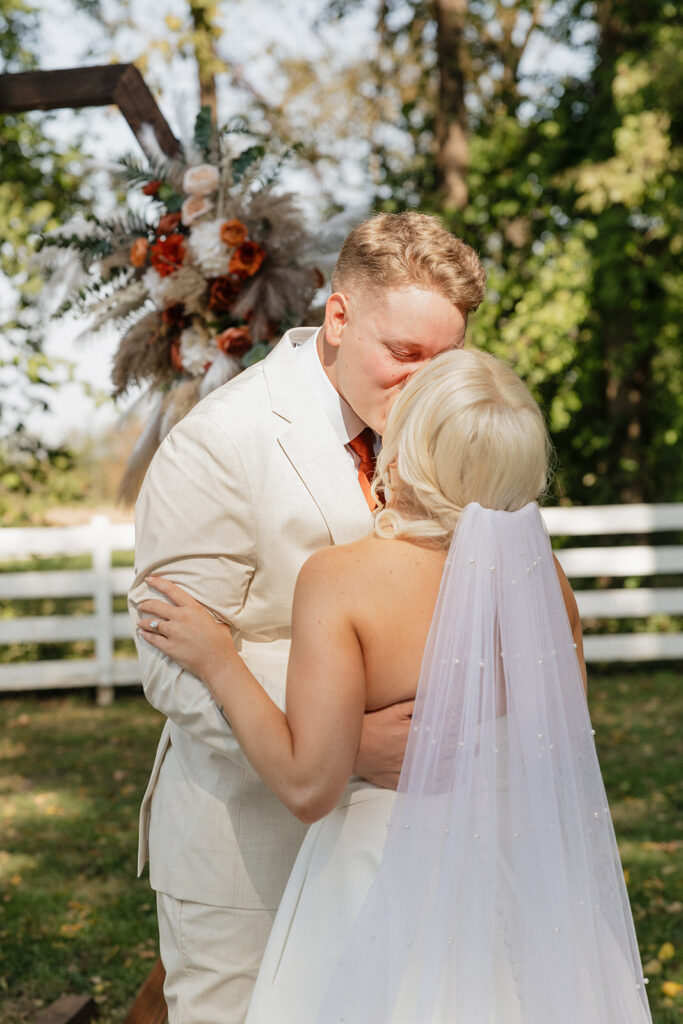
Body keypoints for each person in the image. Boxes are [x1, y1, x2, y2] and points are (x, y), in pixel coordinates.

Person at [137, 348, 652, 1024]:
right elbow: (552, 748)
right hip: (519, 890)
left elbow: (306, 787)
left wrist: (219, 661)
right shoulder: (544, 581)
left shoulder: (341, 579)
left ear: (405, 454)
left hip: (377, 883)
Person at [129, 211, 487, 1024]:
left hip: (401, 843)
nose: (427, 383)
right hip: (248, 846)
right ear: (337, 315)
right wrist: (340, 745)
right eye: (404, 355)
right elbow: (171, 659)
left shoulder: (445, 433)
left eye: (446, 360)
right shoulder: (219, 442)